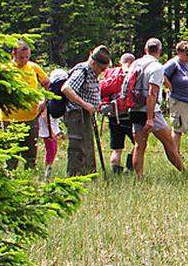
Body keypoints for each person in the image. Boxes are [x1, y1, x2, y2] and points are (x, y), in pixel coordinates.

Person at [128, 38, 186, 178]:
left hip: (134, 109)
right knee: (169, 142)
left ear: (145, 49)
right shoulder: (157, 67)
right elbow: (152, 93)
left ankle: (139, 178)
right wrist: (149, 118)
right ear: (159, 51)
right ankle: (185, 174)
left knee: (139, 145)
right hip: (150, 112)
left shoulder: (135, 64)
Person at [60, 45, 112, 177]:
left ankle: (88, 176)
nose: (102, 71)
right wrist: (85, 105)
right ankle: (73, 178)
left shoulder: (92, 72)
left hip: (86, 115)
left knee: (87, 148)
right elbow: (66, 89)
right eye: (101, 68)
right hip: (77, 115)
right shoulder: (82, 70)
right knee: (78, 148)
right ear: (93, 62)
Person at [1, 39, 50, 170]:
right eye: (21, 57)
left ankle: (30, 181)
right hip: (9, 118)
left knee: (31, 155)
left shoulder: (34, 68)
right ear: (13, 54)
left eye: (27, 57)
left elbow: (47, 85)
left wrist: (43, 101)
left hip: (31, 117)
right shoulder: (5, 69)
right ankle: (10, 179)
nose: (24, 60)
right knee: (11, 155)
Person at [101, 53, 137, 173]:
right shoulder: (133, 73)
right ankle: (129, 167)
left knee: (117, 149)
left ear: (120, 62)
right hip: (128, 115)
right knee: (139, 143)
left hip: (113, 115)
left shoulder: (110, 73)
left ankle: (115, 172)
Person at [36, 70, 66, 178]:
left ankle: (47, 173)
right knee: (51, 149)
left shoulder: (54, 93)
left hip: (51, 126)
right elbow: (44, 115)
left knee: (52, 150)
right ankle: (47, 174)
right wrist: (52, 132)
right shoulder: (47, 95)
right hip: (47, 128)